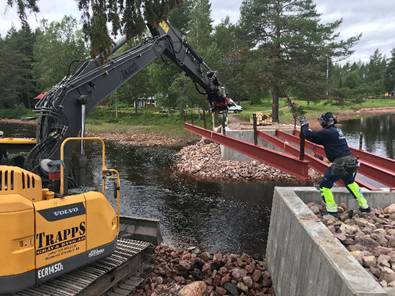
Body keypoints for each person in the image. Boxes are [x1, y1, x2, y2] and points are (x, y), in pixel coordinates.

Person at [300, 112, 370, 216]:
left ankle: (331, 209)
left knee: (324, 186)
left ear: (325, 122)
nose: (321, 123)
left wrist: (304, 125)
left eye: (322, 121)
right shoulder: (337, 131)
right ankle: (365, 206)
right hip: (350, 160)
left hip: (340, 162)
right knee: (350, 182)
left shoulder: (327, 133)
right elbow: (322, 140)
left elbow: (309, 135)